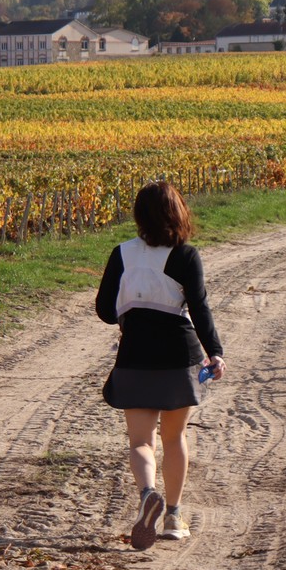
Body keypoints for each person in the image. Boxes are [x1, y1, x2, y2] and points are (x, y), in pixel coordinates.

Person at [95, 181, 224, 550]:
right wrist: (215, 351)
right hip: (178, 357)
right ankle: (173, 516)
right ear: (178, 212)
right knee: (174, 437)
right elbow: (199, 308)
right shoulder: (186, 255)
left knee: (140, 441)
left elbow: (105, 310)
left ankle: (147, 493)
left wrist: (132, 305)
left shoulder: (121, 254)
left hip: (135, 355)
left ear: (139, 215)